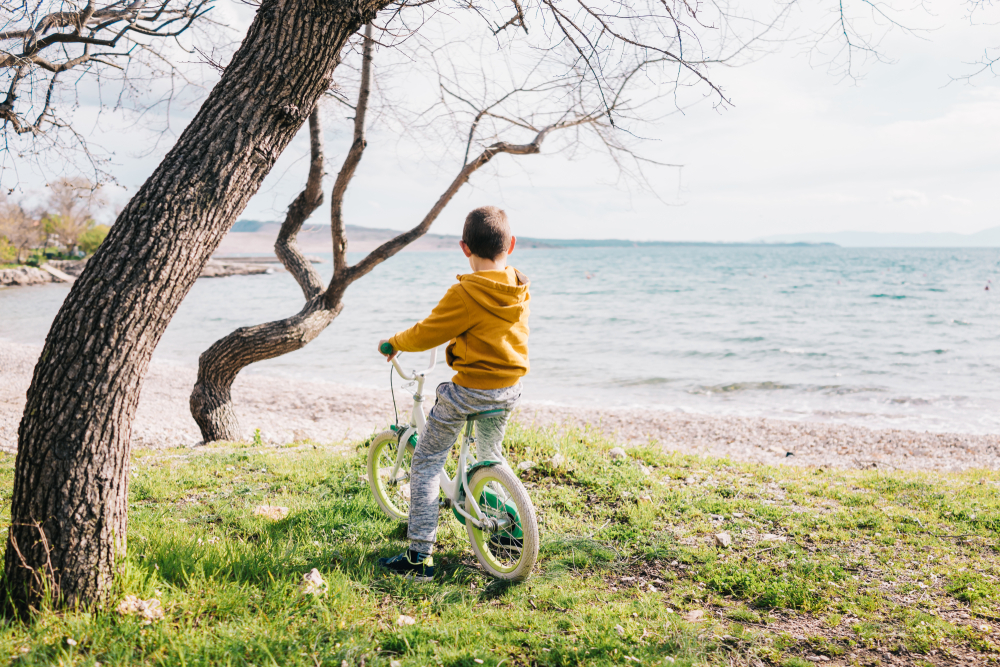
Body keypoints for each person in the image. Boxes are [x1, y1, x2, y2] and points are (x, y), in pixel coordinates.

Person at [376, 205, 530, 582]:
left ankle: (418, 558)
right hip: (509, 390)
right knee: (490, 454)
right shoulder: (518, 285)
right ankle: (511, 524)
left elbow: (428, 331)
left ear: (465, 248)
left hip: (471, 392)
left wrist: (394, 343)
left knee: (426, 463)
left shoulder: (465, 292)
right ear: (510, 244)